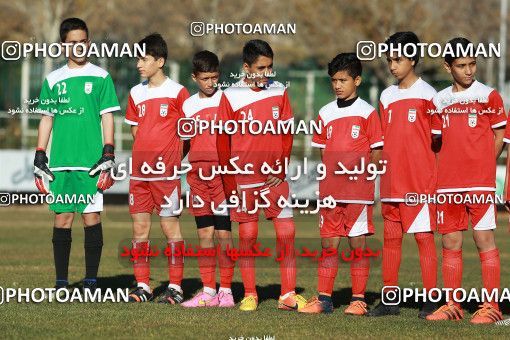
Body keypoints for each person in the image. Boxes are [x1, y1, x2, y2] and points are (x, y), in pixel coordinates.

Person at [216, 39, 306, 311]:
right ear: (246, 67)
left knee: (287, 232)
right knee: (248, 234)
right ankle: (250, 294)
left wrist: (281, 167)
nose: (266, 74)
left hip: (273, 177)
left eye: (270, 68)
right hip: (243, 178)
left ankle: (288, 294)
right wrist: (230, 183)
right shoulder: (230, 95)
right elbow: (222, 141)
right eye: (260, 68)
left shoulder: (279, 90)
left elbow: (287, 132)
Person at [34, 17, 119, 292]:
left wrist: (108, 150)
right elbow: (47, 119)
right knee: (62, 218)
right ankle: (61, 282)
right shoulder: (52, 79)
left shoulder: (101, 76)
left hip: (91, 162)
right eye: (73, 43)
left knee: (91, 217)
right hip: (60, 162)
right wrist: (39, 154)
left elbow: (107, 116)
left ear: (89, 43)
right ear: (63, 46)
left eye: (83, 42)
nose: (79, 47)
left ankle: (92, 281)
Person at [426, 37, 506, 324]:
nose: (469, 70)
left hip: (479, 182)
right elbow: (436, 141)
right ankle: (452, 305)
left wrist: (484, 164)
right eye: (462, 66)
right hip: (447, 183)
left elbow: (500, 136)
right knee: (450, 241)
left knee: (483, 238)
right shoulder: (438, 100)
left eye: (473, 64)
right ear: (448, 67)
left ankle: (492, 306)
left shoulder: (489, 96)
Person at [299, 53, 383, 315]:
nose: (337, 85)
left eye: (343, 80)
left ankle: (358, 299)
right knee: (328, 245)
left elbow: (377, 151)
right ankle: (324, 299)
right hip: (331, 192)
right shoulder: (325, 113)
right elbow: (324, 152)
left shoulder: (368, 112)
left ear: (357, 80)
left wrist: (366, 178)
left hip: (358, 192)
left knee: (357, 245)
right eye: (334, 80)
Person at [367, 31, 438, 319]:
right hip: (392, 181)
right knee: (391, 239)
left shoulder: (430, 95)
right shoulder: (386, 95)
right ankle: (390, 299)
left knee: (423, 238)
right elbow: (383, 141)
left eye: (397, 59)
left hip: (420, 182)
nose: (392, 65)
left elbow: (438, 142)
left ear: (413, 59)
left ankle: (433, 299)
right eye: (389, 60)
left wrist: (435, 180)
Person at [124, 33, 189, 303]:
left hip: (167, 174)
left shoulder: (178, 92)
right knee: (139, 230)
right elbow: (136, 131)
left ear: (160, 61)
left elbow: (188, 133)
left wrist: (174, 160)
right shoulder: (135, 93)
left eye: (144, 59)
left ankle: (175, 286)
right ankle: (143, 286)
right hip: (139, 174)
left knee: (169, 229)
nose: (139, 64)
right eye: (138, 58)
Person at [180, 50, 235, 308]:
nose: (211, 83)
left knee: (223, 233)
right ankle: (208, 291)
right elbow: (185, 142)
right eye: (205, 78)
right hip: (197, 177)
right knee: (204, 233)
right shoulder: (188, 106)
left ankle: (226, 291)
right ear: (194, 78)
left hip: (222, 177)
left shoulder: (228, 100)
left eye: (215, 77)